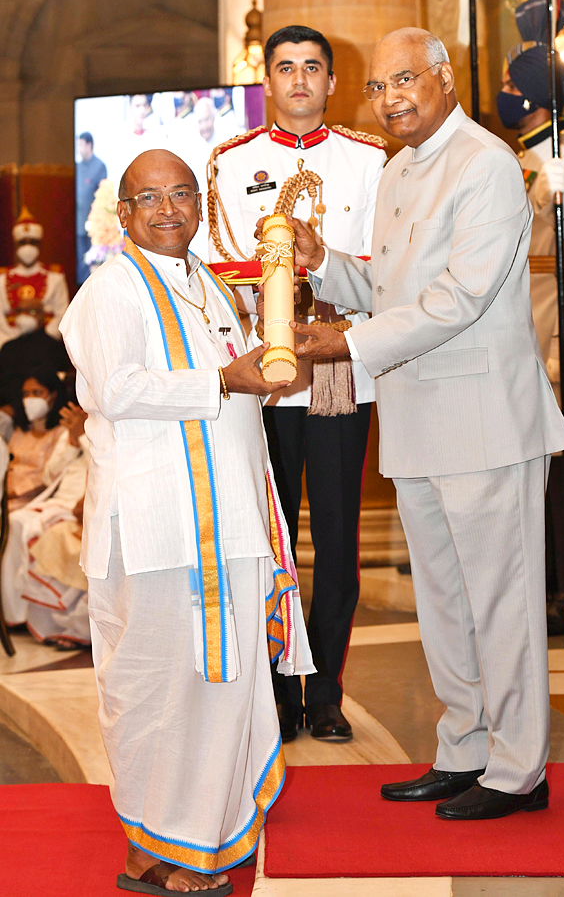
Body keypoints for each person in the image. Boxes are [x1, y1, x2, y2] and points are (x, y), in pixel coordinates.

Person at [283, 27, 564, 820]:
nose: (390, 100)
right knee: (445, 604)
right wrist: (324, 263)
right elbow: (390, 285)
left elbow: (459, 297)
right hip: (416, 418)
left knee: (501, 603)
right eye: (377, 88)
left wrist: (344, 341)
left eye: (405, 80)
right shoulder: (398, 168)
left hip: (483, 420)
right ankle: (464, 750)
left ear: (444, 77)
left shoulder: (482, 163)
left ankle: (518, 772)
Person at [60, 148, 313, 894]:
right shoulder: (111, 289)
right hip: (160, 529)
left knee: (219, 686)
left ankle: (195, 837)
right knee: (160, 691)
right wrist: (222, 381)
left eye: (180, 194)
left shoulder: (206, 282)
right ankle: (154, 850)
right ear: (125, 213)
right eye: (149, 198)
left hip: (226, 519)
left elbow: (241, 382)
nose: (168, 209)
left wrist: (264, 378)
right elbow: (115, 388)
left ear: (200, 203)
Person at [208, 24, 386, 743]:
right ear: (269, 81)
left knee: (338, 539)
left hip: (341, 367)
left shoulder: (371, 159)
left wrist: (326, 270)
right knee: (273, 535)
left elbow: (384, 258)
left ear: (332, 81)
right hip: (267, 372)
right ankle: (281, 689)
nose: (300, 80)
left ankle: (329, 692)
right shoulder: (230, 160)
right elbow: (221, 263)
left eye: (313, 68)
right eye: (286, 68)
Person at [496, 3, 564, 639]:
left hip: (556, 335)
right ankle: (555, 582)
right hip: (531, 333)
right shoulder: (524, 158)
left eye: (514, 88)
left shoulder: (559, 163)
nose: (507, 96)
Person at [2, 401, 90, 646]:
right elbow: (49, 475)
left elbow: (102, 464)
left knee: (28, 527)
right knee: (16, 522)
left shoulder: (104, 428)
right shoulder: (69, 431)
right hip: (56, 500)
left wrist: (82, 436)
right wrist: (72, 440)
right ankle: (13, 614)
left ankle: (26, 613)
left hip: (79, 503)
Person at [0, 208, 70, 405]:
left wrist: (44, 340)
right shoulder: (2, 278)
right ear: (16, 245)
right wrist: (10, 342)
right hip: (9, 346)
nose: (27, 247)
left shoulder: (55, 276)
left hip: (45, 346)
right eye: (23, 242)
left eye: (32, 242)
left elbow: (62, 314)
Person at [5, 369, 69, 514]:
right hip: (5, 497)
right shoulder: (21, 431)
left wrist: (13, 493)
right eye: (26, 394)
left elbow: (50, 477)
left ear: (53, 396)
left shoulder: (61, 433)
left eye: (37, 393)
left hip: (30, 503)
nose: (30, 399)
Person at [76, 132, 108, 283]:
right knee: (80, 261)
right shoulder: (77, 167)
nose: (79, 149)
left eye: (81, 145)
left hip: (94, 226)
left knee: (94, 261)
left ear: (89, 145)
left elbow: (103, 195)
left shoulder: (99, 166)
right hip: (77, 222)